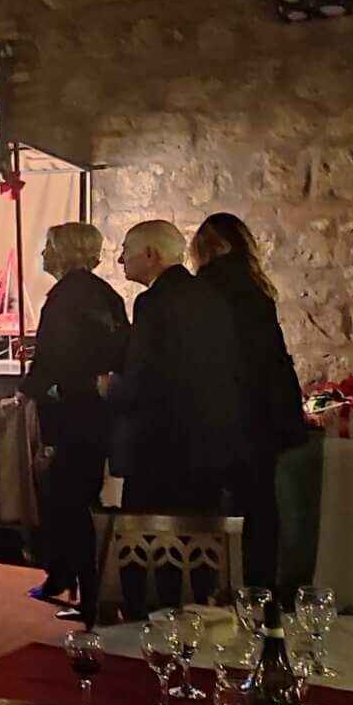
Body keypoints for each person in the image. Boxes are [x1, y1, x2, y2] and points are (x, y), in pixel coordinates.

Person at [6, 223, 128, 620]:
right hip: (95, 413)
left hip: (71, 414)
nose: (43, 253)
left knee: (69, 503)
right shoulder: (105, 294)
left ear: (65, 252)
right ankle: (66, 577)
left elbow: (54, 359)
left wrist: (25, 392)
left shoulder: (64, 298)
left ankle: (89, 595)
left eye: (48, 246)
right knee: (75, 498)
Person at [190, 212, 305, 588]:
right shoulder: (257, 290)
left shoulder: (203, 289)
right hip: (261, 419)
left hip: (219, 417)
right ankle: (260, 590)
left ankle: (214, 590)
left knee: (211, 511)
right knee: (260, 510)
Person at [101, 219, 243, 513]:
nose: (121, 259)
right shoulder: (211, 295)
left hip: (161, 449)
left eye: (126, 250)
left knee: (150, 533)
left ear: (150, 254)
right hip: (207, 448)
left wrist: (110, 387)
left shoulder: (153, 302)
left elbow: (145, 378)